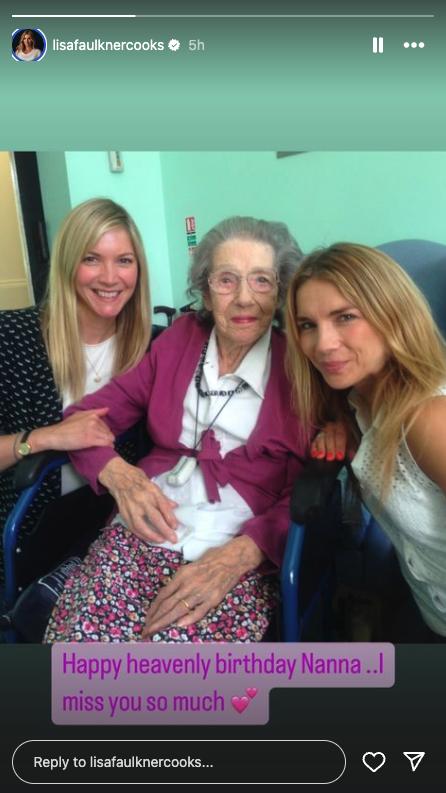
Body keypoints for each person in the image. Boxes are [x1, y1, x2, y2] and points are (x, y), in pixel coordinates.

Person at [44, 215, 306, 643]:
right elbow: (88, 418)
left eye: (262, 280)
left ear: (280, 292)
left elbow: (309, 490)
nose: (244, 298)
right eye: (226, 280)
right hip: (144, 527)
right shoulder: (181, 339)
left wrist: (245, 552)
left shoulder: (299, 367)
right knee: (82, 642)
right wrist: (118, 474)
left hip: (234, 549)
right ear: (205, 290)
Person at [285, 242, 446, 640]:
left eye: (346, 317)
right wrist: (335, 425)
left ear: (392, 313)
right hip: (427, 609)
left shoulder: (428, 418)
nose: (323, 344)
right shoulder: (356, 401)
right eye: (308, 325)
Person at [0, 197, 152, 585]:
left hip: (111, 528)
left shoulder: (153, 347)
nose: (110, 277)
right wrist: (45, 437)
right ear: (68, 264)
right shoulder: (13, 337)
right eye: (91, 259)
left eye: (124, 260)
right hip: (27, 533)